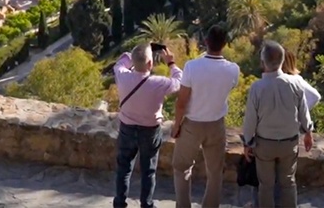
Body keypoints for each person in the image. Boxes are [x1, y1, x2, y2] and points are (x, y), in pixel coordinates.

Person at [172, 24, 240, 208]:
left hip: (192, 125)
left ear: (206, 41)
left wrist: (176, 125)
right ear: (224, 44)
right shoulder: (233, 69)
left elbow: (181, 102)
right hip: (216, 125)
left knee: (181, 167)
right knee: (215, 171)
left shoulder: (192, 67)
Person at [242, 41, 313, 208]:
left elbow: (250, 119)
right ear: (282, 60)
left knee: (265, 186)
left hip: (265, 144)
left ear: (262, 62)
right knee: (288, 183)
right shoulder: (295, 84)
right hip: (289, 143)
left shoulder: (257, 88)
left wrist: (247, 142)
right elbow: (303, 112)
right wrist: (308, 132)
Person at [113, 43, 182, 208]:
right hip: (150, 131)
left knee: (124, 168)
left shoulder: (122, 75)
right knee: (148, 171)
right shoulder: (159, 83)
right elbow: (180, 80)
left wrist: (137, 52)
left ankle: (120, 204)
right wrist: (171, 62)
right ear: (151, 64)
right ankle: (147, 204)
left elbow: (120, 62)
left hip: (127, 128)